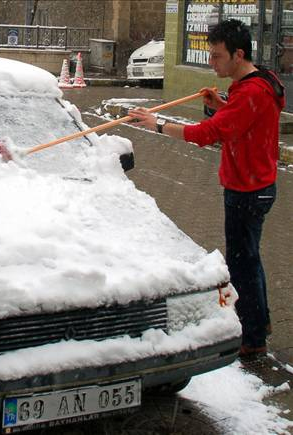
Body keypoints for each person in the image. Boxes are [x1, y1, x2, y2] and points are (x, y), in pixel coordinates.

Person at [127, 19, 285, 358]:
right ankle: (260, 321)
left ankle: (252, 338)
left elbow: (206, 135)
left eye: (216, 56)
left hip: (248, 189)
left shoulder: (251, 92)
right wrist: (222, 107)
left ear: (238, 54)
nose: (211, 62)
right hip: (258, 184)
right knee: (250, 260)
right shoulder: (259, 83)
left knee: (242, 264)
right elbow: (245, 121)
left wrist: (158, 124)